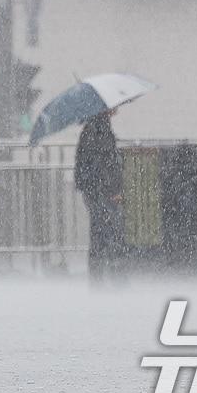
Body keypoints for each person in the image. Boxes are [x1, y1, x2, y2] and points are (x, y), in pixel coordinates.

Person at [74, 108, 124, 283]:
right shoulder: (101, 130)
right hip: (102, 190)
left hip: (93, 189)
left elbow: (86, 164)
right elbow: (107, 164)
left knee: (99, 232)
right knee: (110, 232)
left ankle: (98, 276)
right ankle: (112, 276)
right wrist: (115, 189)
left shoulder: (90, 129)